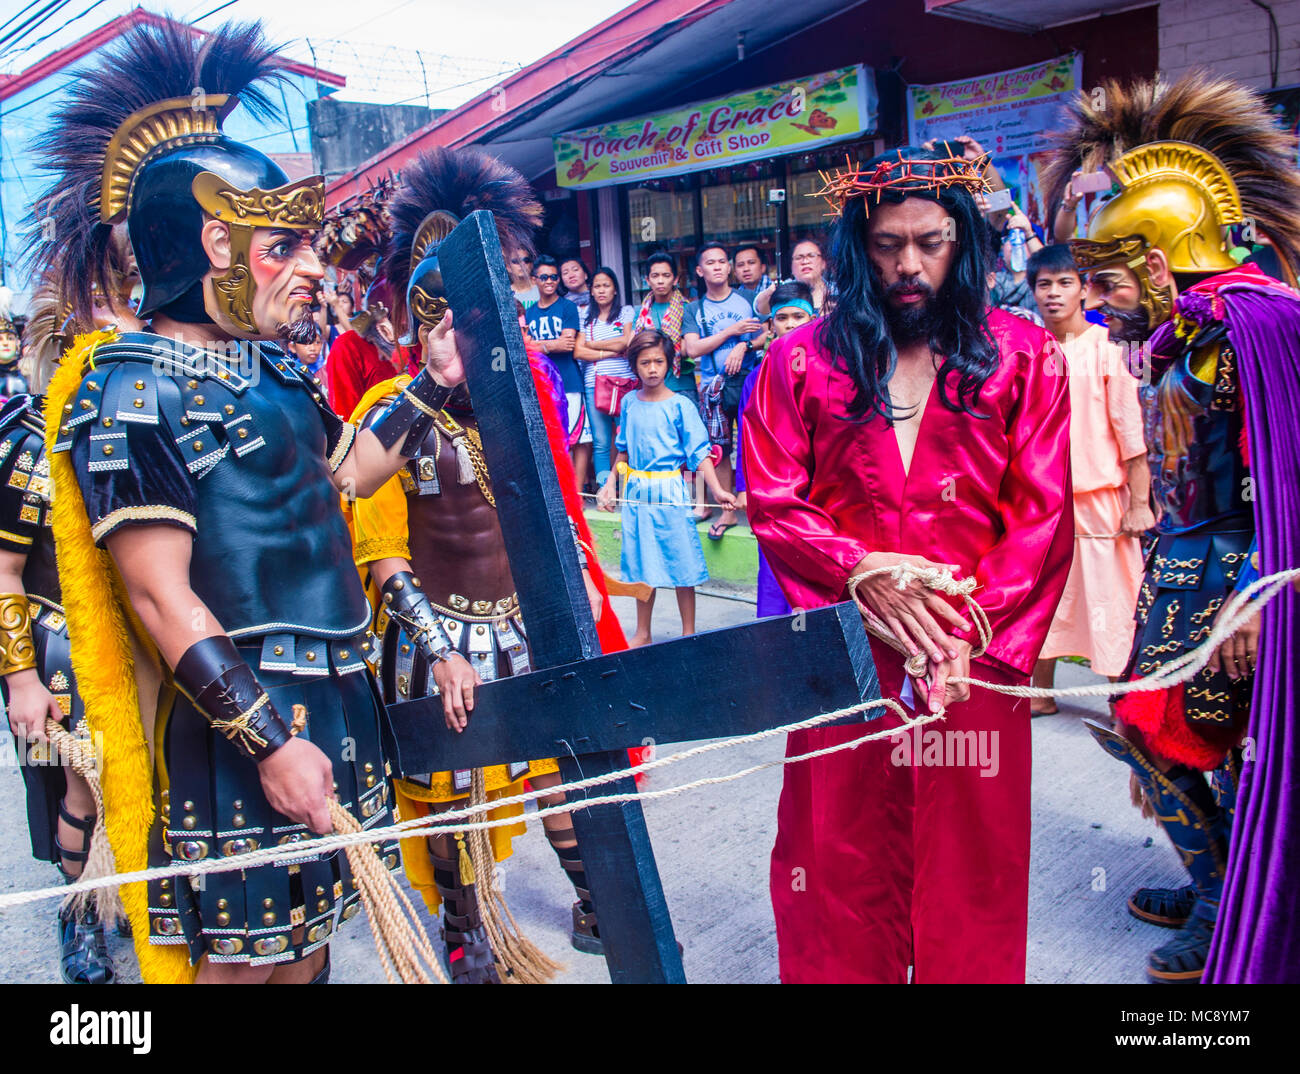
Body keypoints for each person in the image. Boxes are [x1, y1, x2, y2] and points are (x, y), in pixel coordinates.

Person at [29, 19, 463, 985]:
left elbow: (346, 478)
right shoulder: (132, 384)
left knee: (307, 954)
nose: (315, 266)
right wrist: (265, 740)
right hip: (240, 721)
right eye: (288, 247)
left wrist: (429, 387)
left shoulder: (281, 370)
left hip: (340, 700)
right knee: (240, 971)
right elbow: (157, 596)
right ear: (215, 242)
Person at [744, 145, 1073, 983]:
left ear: (962, 241)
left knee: (971, 871)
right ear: (860, 248)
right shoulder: (800, 361)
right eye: (888, 245)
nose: (909, 265)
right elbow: (775, 499)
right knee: (839, 864)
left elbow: (1041, 517)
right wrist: (861, 570)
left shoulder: (1026, 357)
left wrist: (964, 631)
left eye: (930, 242)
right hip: (846, 658)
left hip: (970, 662)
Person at [346, 147, 629, 982]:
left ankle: (595, 899)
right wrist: (439, 651)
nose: (466, 345)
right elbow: (382, 555)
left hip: (525, 621)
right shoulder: (388, 416)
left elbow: (552, 512)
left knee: (565, 769)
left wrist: (578, 589)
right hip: (434, 640)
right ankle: (470, 941)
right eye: (451, 330)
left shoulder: (524, 398)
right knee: (453, 798)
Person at [1048, 72, 1300, 983]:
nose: (1099, 298)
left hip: (1239, 575)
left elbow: (1290, 475)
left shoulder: (1258, 323)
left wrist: (1259, 593)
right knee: (1151, 724)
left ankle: (1240, 902)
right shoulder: (1177, 333)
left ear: (1157, 264)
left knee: (1219, 733)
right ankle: (1219, 884)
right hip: (1181, 562)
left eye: (1108, 279)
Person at [1028, 244, 1150, 715]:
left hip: (1100, 498)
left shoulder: (1108, 349)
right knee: (1045, 596)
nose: (1054, 294)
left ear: (1084, 290)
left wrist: (1139, 503)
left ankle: (1125, 700)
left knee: (1112, 598)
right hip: (1043, 502)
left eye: (1064, 283)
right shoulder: (1029, 352)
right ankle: (1039, 694)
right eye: (1044, 284)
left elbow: (1131, 433)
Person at [597, 330, 735, 645]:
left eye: (659, 361)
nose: (652, 368)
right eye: (645, 362)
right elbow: (623, 452)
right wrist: (609, 486)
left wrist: (716, 490)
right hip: (636, 494)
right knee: (642, 563)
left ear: (669, 363)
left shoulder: (681, 406)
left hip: (670, 490)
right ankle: (642, 632)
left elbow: (699, 454)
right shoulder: (629, 402)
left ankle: (688, 633)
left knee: (680, 559)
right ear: (635, 366)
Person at [734, 281, 814, 618]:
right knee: (773, 565)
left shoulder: (831, 369)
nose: (792, 324)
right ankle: (774, 639)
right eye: (783, 317)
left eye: (799, 316)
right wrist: (743, 488)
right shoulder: (755, 378)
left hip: (820, 485)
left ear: (814, 319)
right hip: (773, 487)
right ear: (771, 325)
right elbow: (745, 434)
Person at [682, 244, 762, 540]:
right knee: (721, 449)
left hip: (749, 380)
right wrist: (731, 333)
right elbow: (692, 348)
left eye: (721, 262)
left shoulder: (748, 298)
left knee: (754, 446)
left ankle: (757, 508)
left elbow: (766, 332)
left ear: (729, 268)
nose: (717, 267)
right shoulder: (694, 308)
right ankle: (728, 511)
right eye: (709, 263)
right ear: (700, 271)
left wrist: (744, 344)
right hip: (714, 387)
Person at [525, 256, 591, 478]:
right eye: (544, 277)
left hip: (570, 381)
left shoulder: (567, 307)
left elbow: (568, 344)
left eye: (554, 276)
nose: (550, 281)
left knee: (576, 438)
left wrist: (537, 346)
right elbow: (525, 347)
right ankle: (563, 495)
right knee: (554, 441)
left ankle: (578, 495)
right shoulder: (531, 312)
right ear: (535, 280)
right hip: (543, 385)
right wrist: (549, 345)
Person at [574, 267, 635, 489]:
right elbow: (579, 352)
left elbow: (626, 342)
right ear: (591, 290)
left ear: (615, 290)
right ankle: (603, 491)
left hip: (625, 384)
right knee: (600, 442)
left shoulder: (626, 312)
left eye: (606, 285)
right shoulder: (584, 316)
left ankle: (627, 489)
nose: (601, 290)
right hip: (594, 384)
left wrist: (592, 345)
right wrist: (610, 351)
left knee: (625, 441)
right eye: (597, 286)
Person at [754, 236, 834, 317]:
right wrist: (772, 292)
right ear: (791, 267)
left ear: (824, 263)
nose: (805, 261)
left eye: (811, 256)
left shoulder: (837, 291)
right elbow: (760, 309)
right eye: (799, 258)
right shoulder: (782, 288)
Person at [285, 316, 329, 391]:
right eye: (306, 343)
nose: (313, 348)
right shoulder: (291, 373)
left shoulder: (328, 372)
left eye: (317, 342)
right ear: (292, 347)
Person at [0, 292, 28, 403]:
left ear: (17, 343)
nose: (6, 343)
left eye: (10, 338)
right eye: (0, 339)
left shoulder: (28, 376)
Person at [560, 256, 592, 327]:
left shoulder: (598, 297)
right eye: (565, 273)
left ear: (585, 274)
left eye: (575, 270)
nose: (571, 275)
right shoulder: (561, 305)